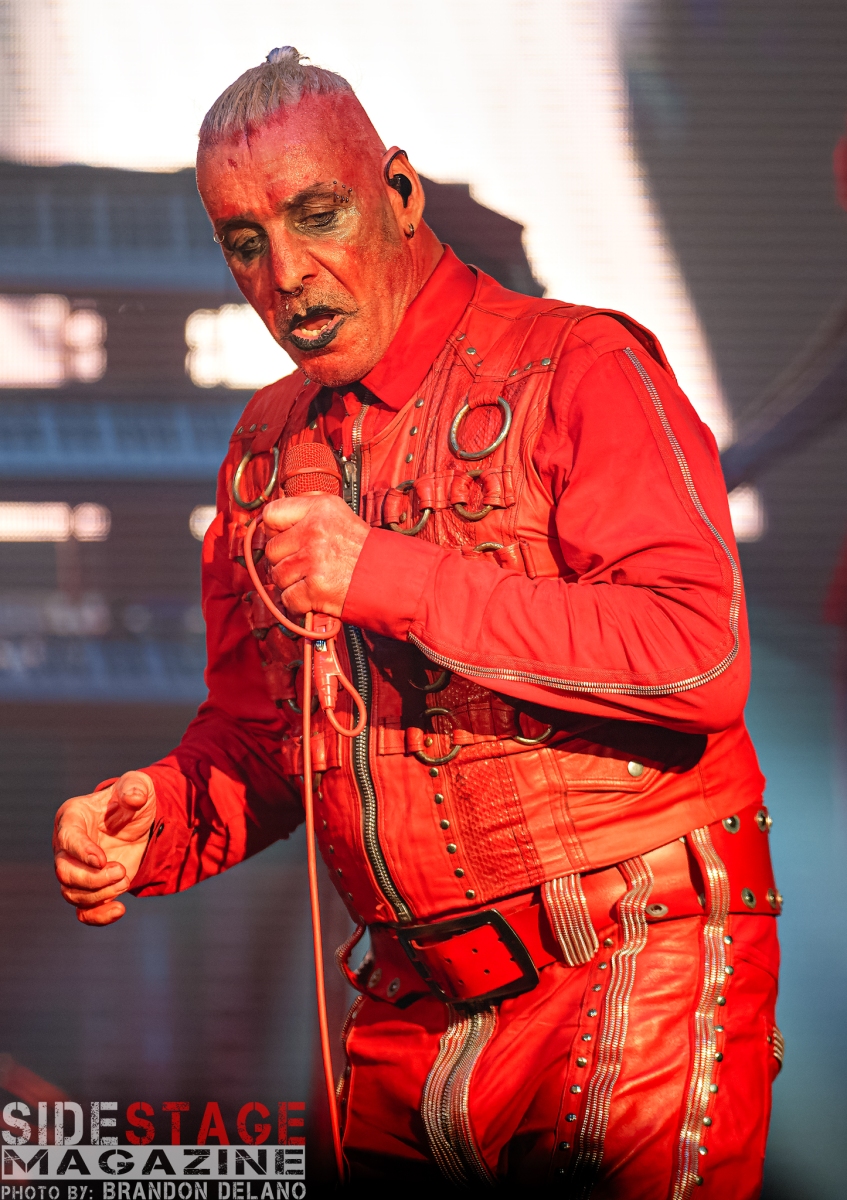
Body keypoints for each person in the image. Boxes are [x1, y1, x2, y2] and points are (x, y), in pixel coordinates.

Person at [52, 48, 781, 1195]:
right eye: (244, 242)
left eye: (317, 215)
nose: (287, 274)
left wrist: (383, 574)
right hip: (408, 1011)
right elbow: (270, 743)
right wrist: (162, 816)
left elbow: (696, 653)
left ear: (398, 194)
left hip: (630, 968)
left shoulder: (579, 365)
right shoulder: (263, 448)